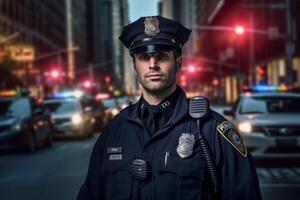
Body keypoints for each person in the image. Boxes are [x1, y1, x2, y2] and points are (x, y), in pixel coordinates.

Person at [76, 15, 262, 200]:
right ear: (134, 65)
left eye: (161, 56)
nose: (152, 65)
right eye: (143, 57)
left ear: (178, 62)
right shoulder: (114, 131)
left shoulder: (211, 130)